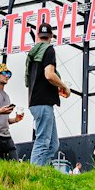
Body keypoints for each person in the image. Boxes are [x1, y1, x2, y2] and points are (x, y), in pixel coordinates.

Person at [25, 21, 72, 168]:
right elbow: (49, 75)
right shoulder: (49, 50)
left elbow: (41, 78)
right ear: (51, 36)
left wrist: (55, 88)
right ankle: (34, 173)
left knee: (52, 144)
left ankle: (42, 171)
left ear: (38, 36)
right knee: (43, 141)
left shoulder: (34, 53)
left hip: (36, 101)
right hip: (43, 103)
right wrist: (64, 86)